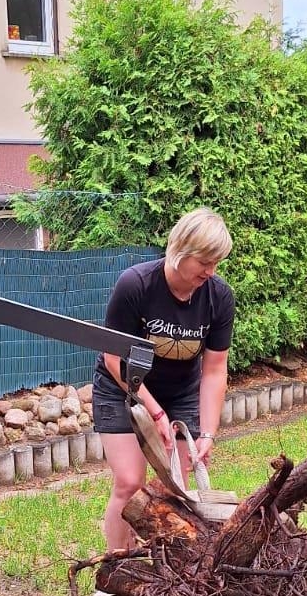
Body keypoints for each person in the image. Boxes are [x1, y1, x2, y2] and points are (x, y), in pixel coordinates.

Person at [92, 207, 234, 553]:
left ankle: (168, 578)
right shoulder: (136, 285)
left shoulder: (219, 296)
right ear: (181, 250)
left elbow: (214, 370)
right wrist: (156, 414)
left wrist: (208, 433)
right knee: (129, 482)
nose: (211, 271)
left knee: (176, 489)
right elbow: (115, 359)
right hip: (121, 389)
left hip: (181, 392)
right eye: (204, 262)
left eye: (216, 262)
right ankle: (117, 571)